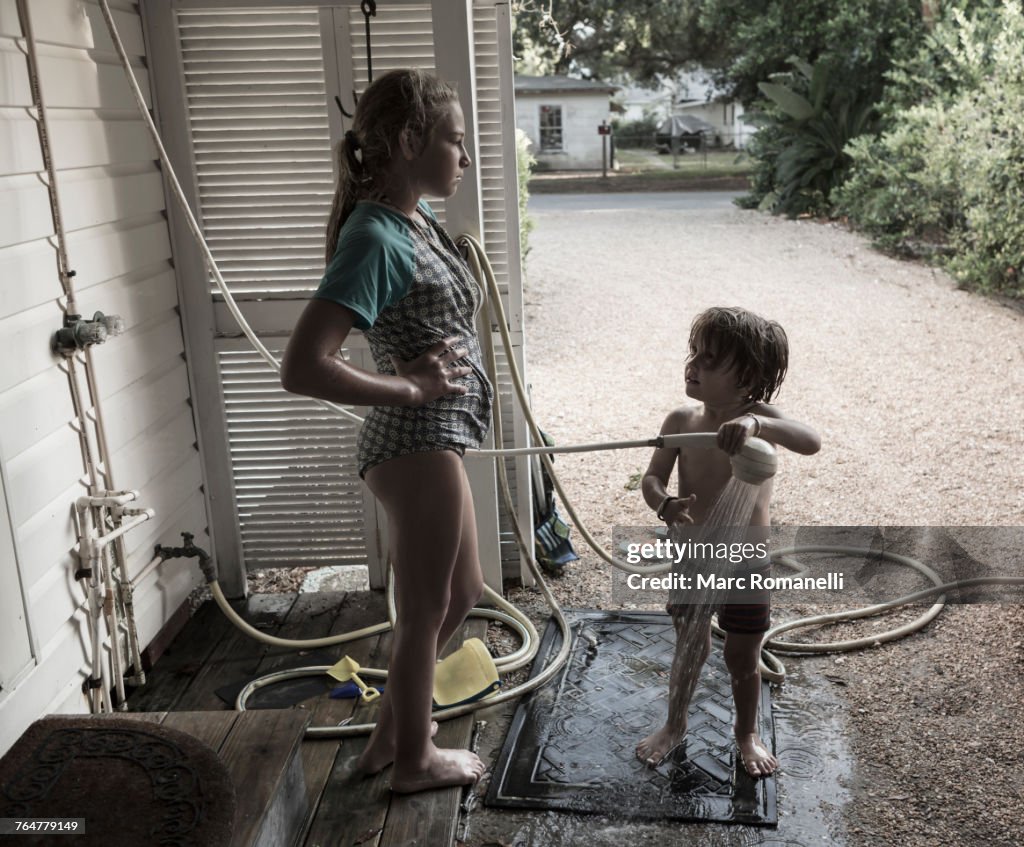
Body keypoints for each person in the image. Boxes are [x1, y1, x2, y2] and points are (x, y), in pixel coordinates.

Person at [281, 68, 492, 793]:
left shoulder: (409, 217)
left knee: (462, 593)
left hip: (433, 437)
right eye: (455, 142)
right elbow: (305, 365)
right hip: (413, 441)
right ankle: (414, 763)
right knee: (424, 610)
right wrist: (411, 384)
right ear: (409, 141)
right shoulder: (375, 232)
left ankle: (390, 735)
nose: (465, 157)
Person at [635, 306, 820, 777]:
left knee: (743, 659)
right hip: (693, 559)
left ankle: (746, 734)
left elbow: (810, 440)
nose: (692, 366)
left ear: (748, 379)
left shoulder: (759, 417)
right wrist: (664, 504)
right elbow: (652, 478)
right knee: (689, 649)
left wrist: (757, 426)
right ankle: (674, 725)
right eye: (693, 354)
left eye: (709, 359)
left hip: (744, 563)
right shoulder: (680, 418)